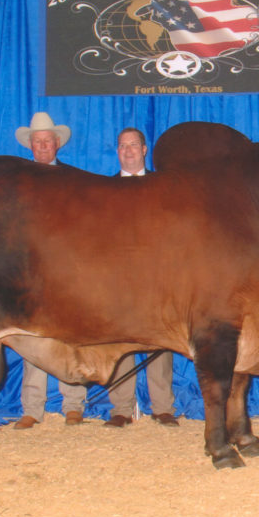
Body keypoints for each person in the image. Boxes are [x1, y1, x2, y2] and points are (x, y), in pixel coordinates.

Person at [12, 112, 88, 429]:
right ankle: (32, 408)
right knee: (33, 337)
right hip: (30, 270)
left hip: (67, 269)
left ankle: (73, 404)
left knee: (70, 335)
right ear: (31, 145)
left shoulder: (74, 179)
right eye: (38, 141)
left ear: (57, 143)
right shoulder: (17, 180)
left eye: (48, 140)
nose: (43, 145)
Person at [104, 127, 178, 428]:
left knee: (159, 339)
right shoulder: (104, 189)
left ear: (145, 150)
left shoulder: (164, 186)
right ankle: (121, 408)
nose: (128, 150)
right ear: (117, 151)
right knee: (120, 340)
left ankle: (162, 407)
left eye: (134, 145)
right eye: (122, 146)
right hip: (119, 277)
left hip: (155, 274)